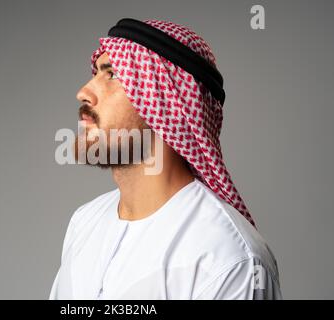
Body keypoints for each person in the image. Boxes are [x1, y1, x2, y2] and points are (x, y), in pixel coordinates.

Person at [49, 18, 282, 299]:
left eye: (112, 75)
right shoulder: (84, 222)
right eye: (97, 73)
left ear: (165, 104)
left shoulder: (229, 258)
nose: (84, 92)